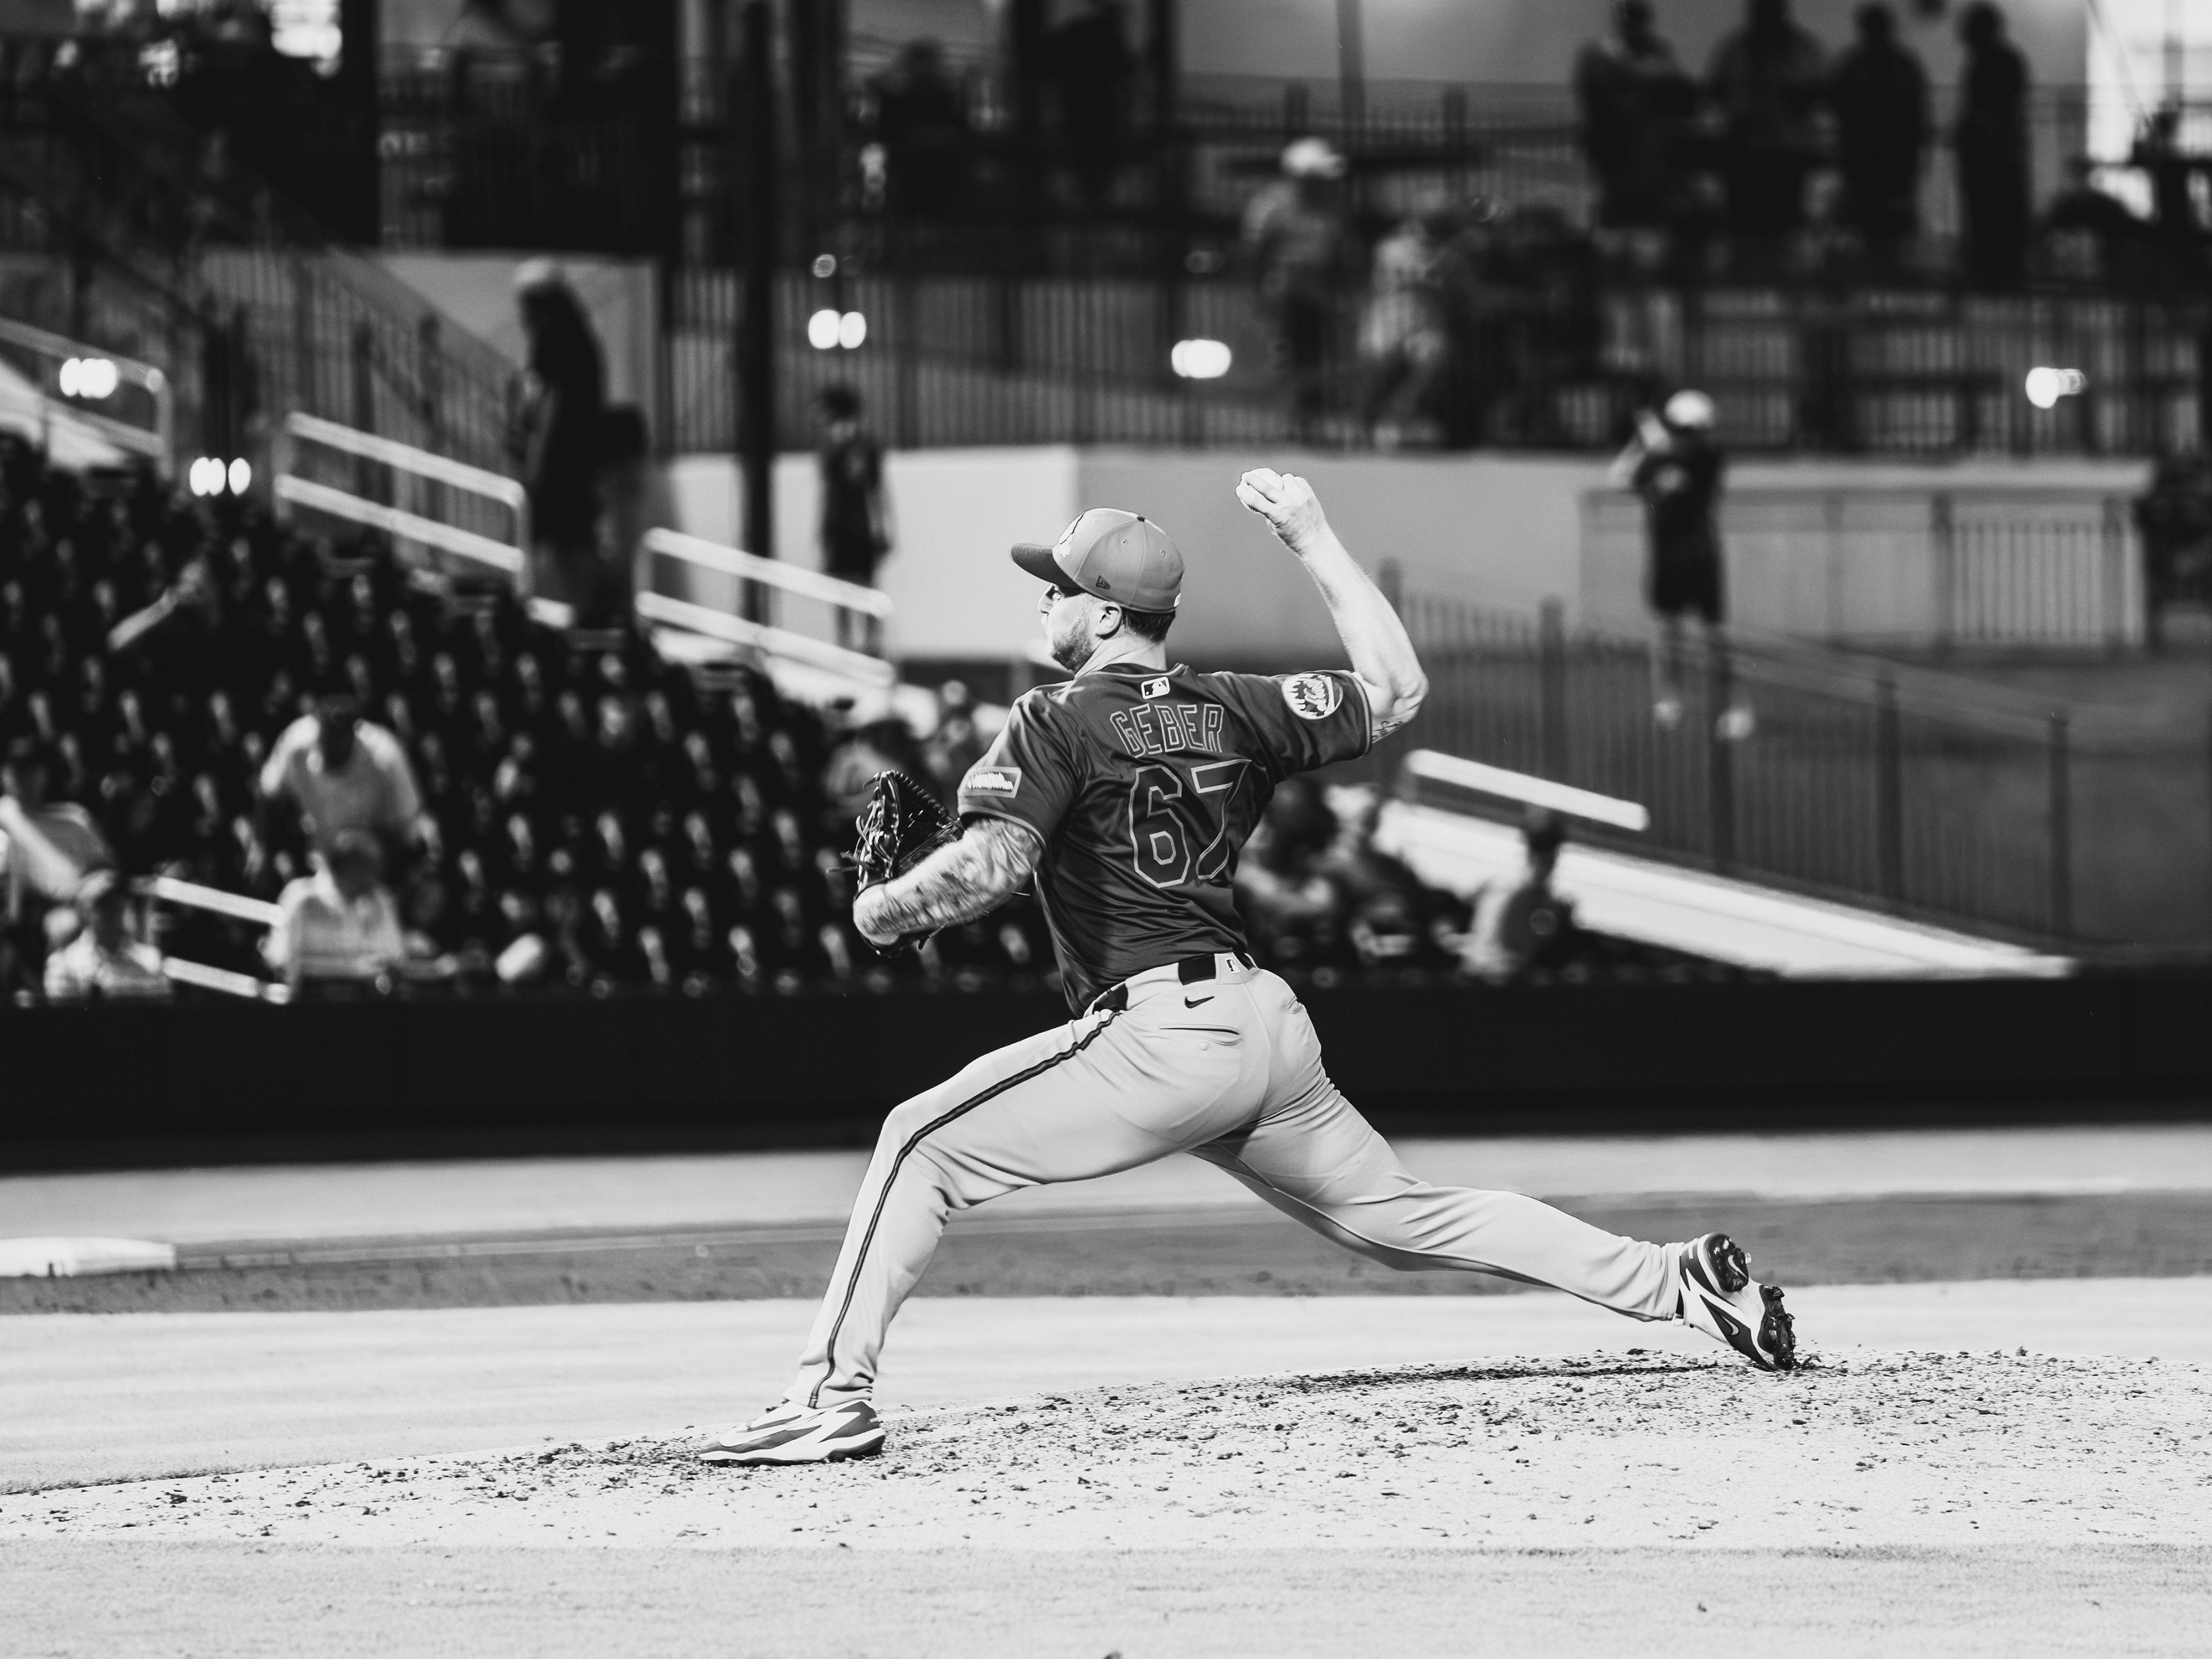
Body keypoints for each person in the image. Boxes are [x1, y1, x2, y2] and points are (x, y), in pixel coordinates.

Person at [697, 478, 1798, 1467]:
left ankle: (827, 1396)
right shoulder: (1234, 705)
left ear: (1107, 612)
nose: (1044, 602)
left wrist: (881, 910)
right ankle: (1674, 1280)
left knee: (917, 1142)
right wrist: (1315, 539)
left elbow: (992, 865)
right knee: (1403, 1217)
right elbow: (1399, 691)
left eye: (1059, 588)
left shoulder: (1053, 717)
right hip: (1263, 1030)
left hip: (1161, 1036)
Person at [1611, 389, 1751, 738]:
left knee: (1714, 635)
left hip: (1702, 557)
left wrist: (1656, 440)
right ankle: (1668, 702)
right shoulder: (1657, 457)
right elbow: (1620, 476)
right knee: (1667, 632)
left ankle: (1734, 705)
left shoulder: (1708, 458)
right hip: (1666, 557)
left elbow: (1692, 459)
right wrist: (1642, 444)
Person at [1241, 138, 1358, 440]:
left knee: (1315, 355)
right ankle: (1290, 418)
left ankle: (1308, 417)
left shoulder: (1330, 208)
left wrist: (1341, 289)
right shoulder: (1271, 206)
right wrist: (1259, 294)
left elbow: (1339, 254)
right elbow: (1256, 254)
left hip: (1318, 291)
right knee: (1286, 354)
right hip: (1284, 290)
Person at [516, 259, 608, 618]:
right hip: (578, 458)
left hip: (562, 462)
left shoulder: (554, 337)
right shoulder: (580, 334)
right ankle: (589, 609)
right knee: (570, 541)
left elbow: (550, 408)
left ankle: (594, 608)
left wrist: (536, 461)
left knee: (564, 541)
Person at [1705, 0, 1827, 271]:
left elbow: (1816, 92)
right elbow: (1716, 89)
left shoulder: (1802, 48)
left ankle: (1782, 277)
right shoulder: (1736, 48)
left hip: (1786, 149)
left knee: (1785, 222)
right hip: (1744, 149)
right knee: (1744, 223)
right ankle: (1746, 277)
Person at [1, 736, 116, 995]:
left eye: (31, 770)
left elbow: (107, 874)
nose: (24, 777)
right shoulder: (4, 815)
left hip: (73, 913)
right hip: (15, 917)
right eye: (16, 770)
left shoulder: (74, 819)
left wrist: (80, 907)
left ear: (44, 774)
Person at [258, 693, 430, 863]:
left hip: (372, 857)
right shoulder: (297, 743)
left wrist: (367, 867)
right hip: (313, 852)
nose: (333, 745)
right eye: (328, 736)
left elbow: (407, 825)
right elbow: (268, 792)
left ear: (355, 732)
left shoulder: (385, 757)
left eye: (340, 738)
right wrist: (264, 852)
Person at [1573, 0, 1698, 232]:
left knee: (1635, 203)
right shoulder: (1606, 52)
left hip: (1640, 143)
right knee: (1623, 201)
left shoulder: (1614, 51)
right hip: (1618, 142)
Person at [1828, 3, 1929, 274]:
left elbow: (1840, 107)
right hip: (1884, 157)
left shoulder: (1854, 65)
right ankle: (1891, 276)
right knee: (1886, 222)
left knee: (1873, 220)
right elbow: (1918, 114)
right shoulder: (1902, 65)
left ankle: (1879, 275)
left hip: (1873, 157)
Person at [264, 828, 407, 989]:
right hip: (311, 1001)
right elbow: (285, 962)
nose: (374, 879)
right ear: (345, 868)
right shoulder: (303, 898)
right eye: (367, 871)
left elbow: (395, 958)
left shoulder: (380, 899)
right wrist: (352, 971)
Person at [1953, 2, 2029, 292]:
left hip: (1988, 151)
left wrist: (1974, 131)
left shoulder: (1988, 61)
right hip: (1998, 150)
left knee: (1987, 212)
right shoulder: (2006, 58)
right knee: (2002, 212)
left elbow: (1989, 108)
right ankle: (2002, 271)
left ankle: (1993, 272)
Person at [814, 385, 891, 652]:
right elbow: (828, 494)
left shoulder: (863, 447)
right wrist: (823, 530)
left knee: (865, 587)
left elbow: (876, 491)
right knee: (840, 589)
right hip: (838, 527)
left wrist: (882, 529)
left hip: (859, 527)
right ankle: (845, 645)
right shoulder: (830, 447)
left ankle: (870, 646)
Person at [1461, 809, 1577, 982]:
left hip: (1474, 975)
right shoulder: (1538, 899)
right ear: (1554, 857)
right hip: (1499, 982)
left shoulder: (1495, 884)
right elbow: (1522, 947)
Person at [1043, 0, 1135, 207]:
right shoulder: (1107, 35)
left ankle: (1088, 189)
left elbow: (1050, 66)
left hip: (1075, 106)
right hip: (1101, 109)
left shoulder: (1072, 32)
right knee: (1096, 155)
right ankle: (1094, 191)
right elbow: (1119, 70)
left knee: (1083, 153)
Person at [43, 868, 170, 1001]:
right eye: (108, 909)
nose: (118, 917)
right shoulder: (65, 965)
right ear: (88, 914)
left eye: (123, 907)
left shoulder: (150, 961)